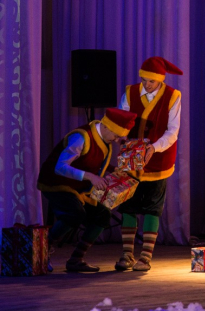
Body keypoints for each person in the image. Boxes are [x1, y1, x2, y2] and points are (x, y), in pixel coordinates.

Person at [37, 107, 137, 272]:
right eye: (116, 135)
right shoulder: (81, 137)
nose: (117, 140)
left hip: (80, 188)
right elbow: (60, 167)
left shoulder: (105, 140)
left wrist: (114, 170)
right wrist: (90, 177)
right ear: (106, 126)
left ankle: (76, 259)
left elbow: (94, 162)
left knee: (103, 215)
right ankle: (42, 249)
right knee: (75, 213)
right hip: (57, 183)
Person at [114, 56, 183, 272]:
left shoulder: (172, 96)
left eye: (151, 81)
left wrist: (154, 147)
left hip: (158, 158)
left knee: (153, 207)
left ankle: (145, 256)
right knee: (128, 205)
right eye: (144, 80)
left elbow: (172, 131)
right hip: (132, 157)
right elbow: (122, 118)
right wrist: (120, 134)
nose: (146, 84)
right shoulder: (130, 92)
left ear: (160, 80)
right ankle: (127, 254)